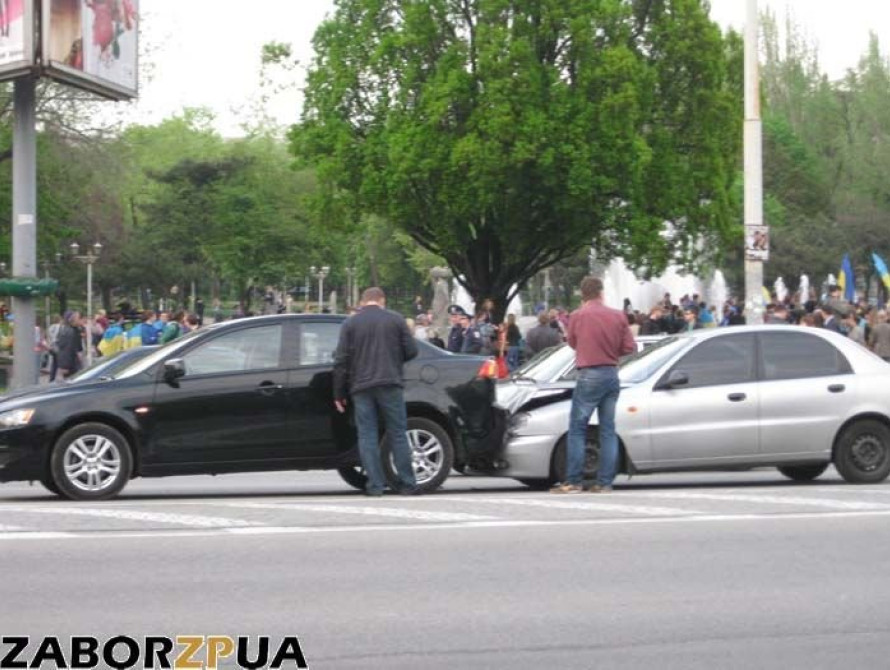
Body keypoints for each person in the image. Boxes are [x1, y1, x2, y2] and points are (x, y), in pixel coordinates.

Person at [333, 287, 420, 497]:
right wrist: (393, 360)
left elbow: (341, 360)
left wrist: (338, 393)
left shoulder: (350, 323)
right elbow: (412, 350)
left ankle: (375, 485)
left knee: (367, 435)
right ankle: (408, 483)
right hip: (390, 382)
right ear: (382, 300)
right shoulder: (396, 320)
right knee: (398, 433)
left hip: (361, 386)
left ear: (363, 302)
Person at [551, 277, 634, 494]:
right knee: (608, 429)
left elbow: (572, 343)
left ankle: (573, 481)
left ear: (582, 294)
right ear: (601, 292)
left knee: (578, 428)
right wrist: (611, 350)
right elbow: (629, 347)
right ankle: (605, 482)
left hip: (588, 374)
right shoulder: (618, 315)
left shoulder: (577, 316)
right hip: (611, 373)